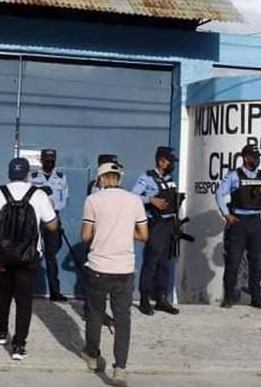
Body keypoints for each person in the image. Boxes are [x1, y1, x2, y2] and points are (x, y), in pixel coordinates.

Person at [80, 160, 149, 387]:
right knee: (122, 319)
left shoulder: (92, 200)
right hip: (124, 268)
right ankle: (120, 368)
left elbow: (86, 237)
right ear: (119, 178)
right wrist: (124, 232)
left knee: (95, 314)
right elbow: (143, 235)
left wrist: (102, 231)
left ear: (100, 179)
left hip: (99, 267)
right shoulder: (134, 200)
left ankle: (92, 355)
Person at [0, 158, 59, 361]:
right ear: (28, 174)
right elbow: (52, 225)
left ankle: (1, 332)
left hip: (3, 255)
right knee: (24, 301)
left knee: (3, 294)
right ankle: (18, 346)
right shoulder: (39, 195)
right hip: (29, 256)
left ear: (9, 173)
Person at [215, 143, 261, 309]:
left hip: (255, 221)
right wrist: (226, 214)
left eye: (258, 157)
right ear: (246, 157)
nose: (257, 160)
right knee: (233, 261)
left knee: (257, 261)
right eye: (254, 157)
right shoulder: (234, 175)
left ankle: (256, 297)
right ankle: (228, 297)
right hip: (238, 221)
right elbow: (220, 193)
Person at [132, 146, 180, 316]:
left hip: (170, 225)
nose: (172, 165)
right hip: (156, 223)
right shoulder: (147, 178)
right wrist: (151, 199)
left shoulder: (169, 178)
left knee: (166, 263)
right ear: (161, 161)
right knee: (151, 262)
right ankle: (145, 300)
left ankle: (161, 299)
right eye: (169, 161)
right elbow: (133, 197)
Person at [31, 148, 70, 301]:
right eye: (46, 160)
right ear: (41, 160)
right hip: (35, 220)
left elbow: (64, 201)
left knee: (51, 256)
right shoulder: (33, 177)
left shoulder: (61, 177)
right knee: (31, 254)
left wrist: (52, 203)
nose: (49, 163)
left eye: (51, 161)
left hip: (53, 219)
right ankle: (27, 290)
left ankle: (55, 292)